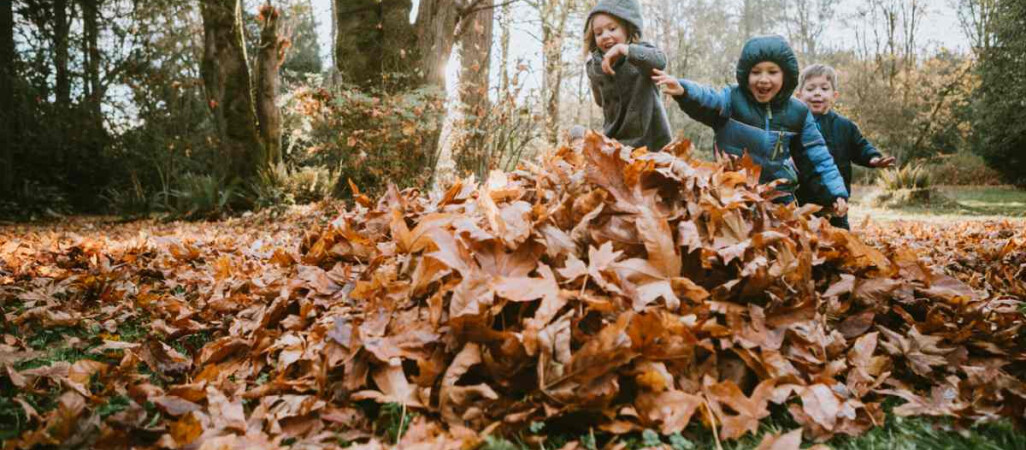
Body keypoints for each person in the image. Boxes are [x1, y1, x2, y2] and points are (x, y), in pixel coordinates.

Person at [651, 35, 848, 217]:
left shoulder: (798, 113)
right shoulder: (731, 100)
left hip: (777, 194)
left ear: (785, 76)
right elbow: (708, 98)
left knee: (782, 241)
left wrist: (835, 193)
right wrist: (684, 90)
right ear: (746, 75)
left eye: (772, 72)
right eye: (756, 72)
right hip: (733, 192)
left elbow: (816, 155)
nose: (763, 79)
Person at [794, 64, 896, 229]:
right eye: (811, 89)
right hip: (803, 199)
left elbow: (860, 146)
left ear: (834, 96)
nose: (817, 93)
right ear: (799, 96)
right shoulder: (794, 126)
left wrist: (873, 158)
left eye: (824, 88)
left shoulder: (844, 126)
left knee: (840, 238)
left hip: (836, 202)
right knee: (804, 238)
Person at [584, 0, 672, 152]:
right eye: (598, 33)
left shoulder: (640, 54)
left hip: (651, 144)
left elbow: (660, 60)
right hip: (616, 144)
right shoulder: (594, 67)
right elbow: (600, 101)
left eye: (612, 29)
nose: (605, 36)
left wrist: (623, 49)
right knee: (579, 134)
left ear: (628, 27)